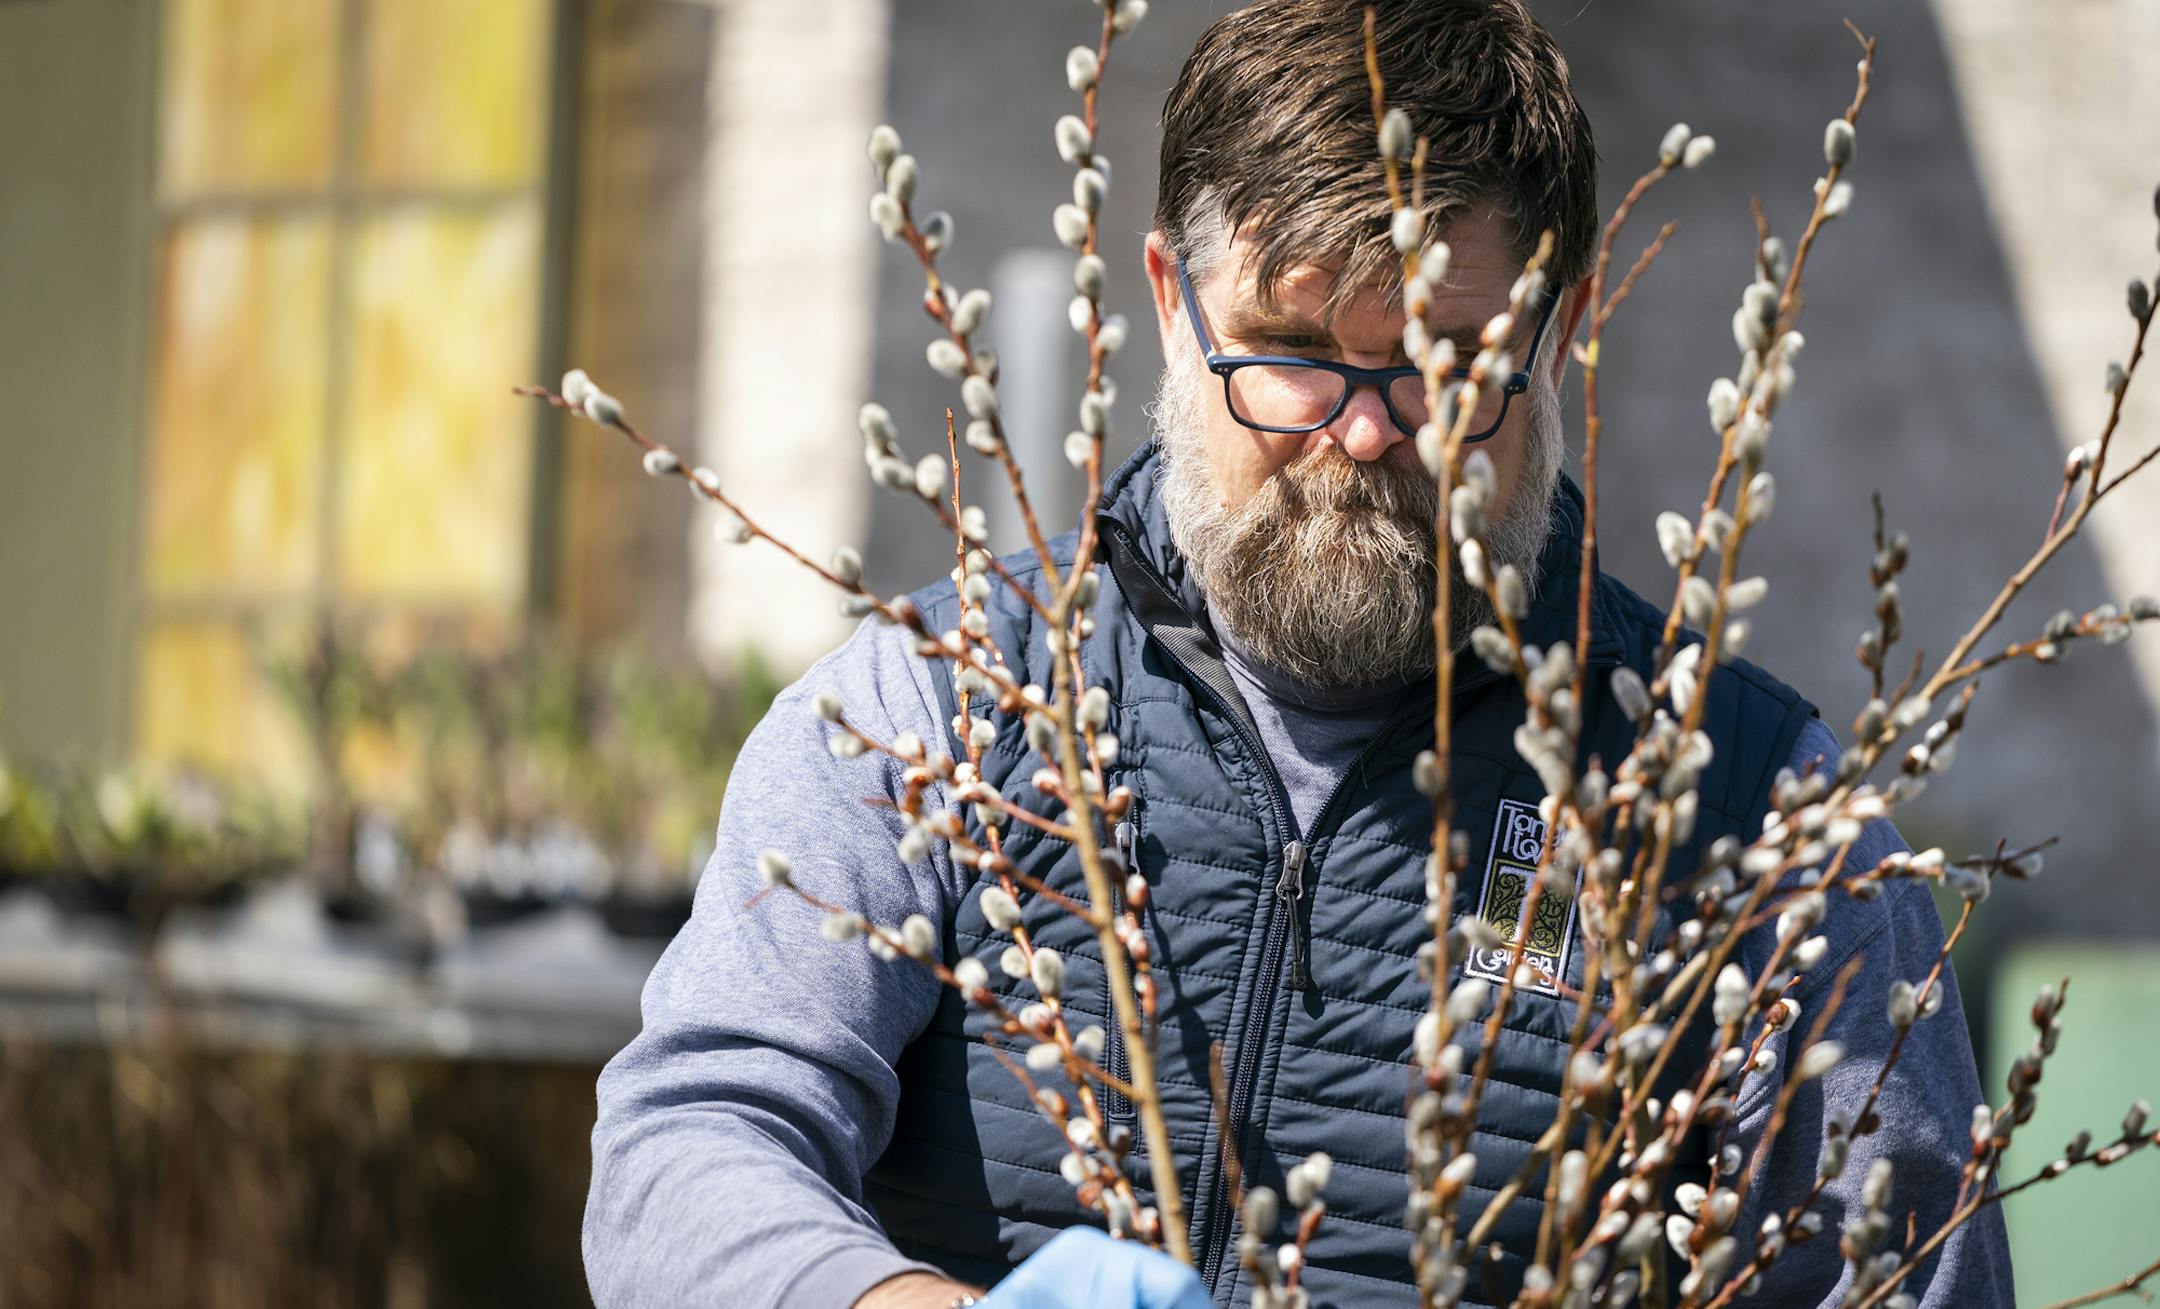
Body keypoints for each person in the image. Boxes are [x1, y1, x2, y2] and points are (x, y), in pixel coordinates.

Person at [583, 2, 2014, 1305]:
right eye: (1288, 349)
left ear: (1561, 334)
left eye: (1445, 364)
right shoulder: (941, 705)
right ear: (1169, 301)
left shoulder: (1751, 818)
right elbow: (686, 1147)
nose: (1365, 431)